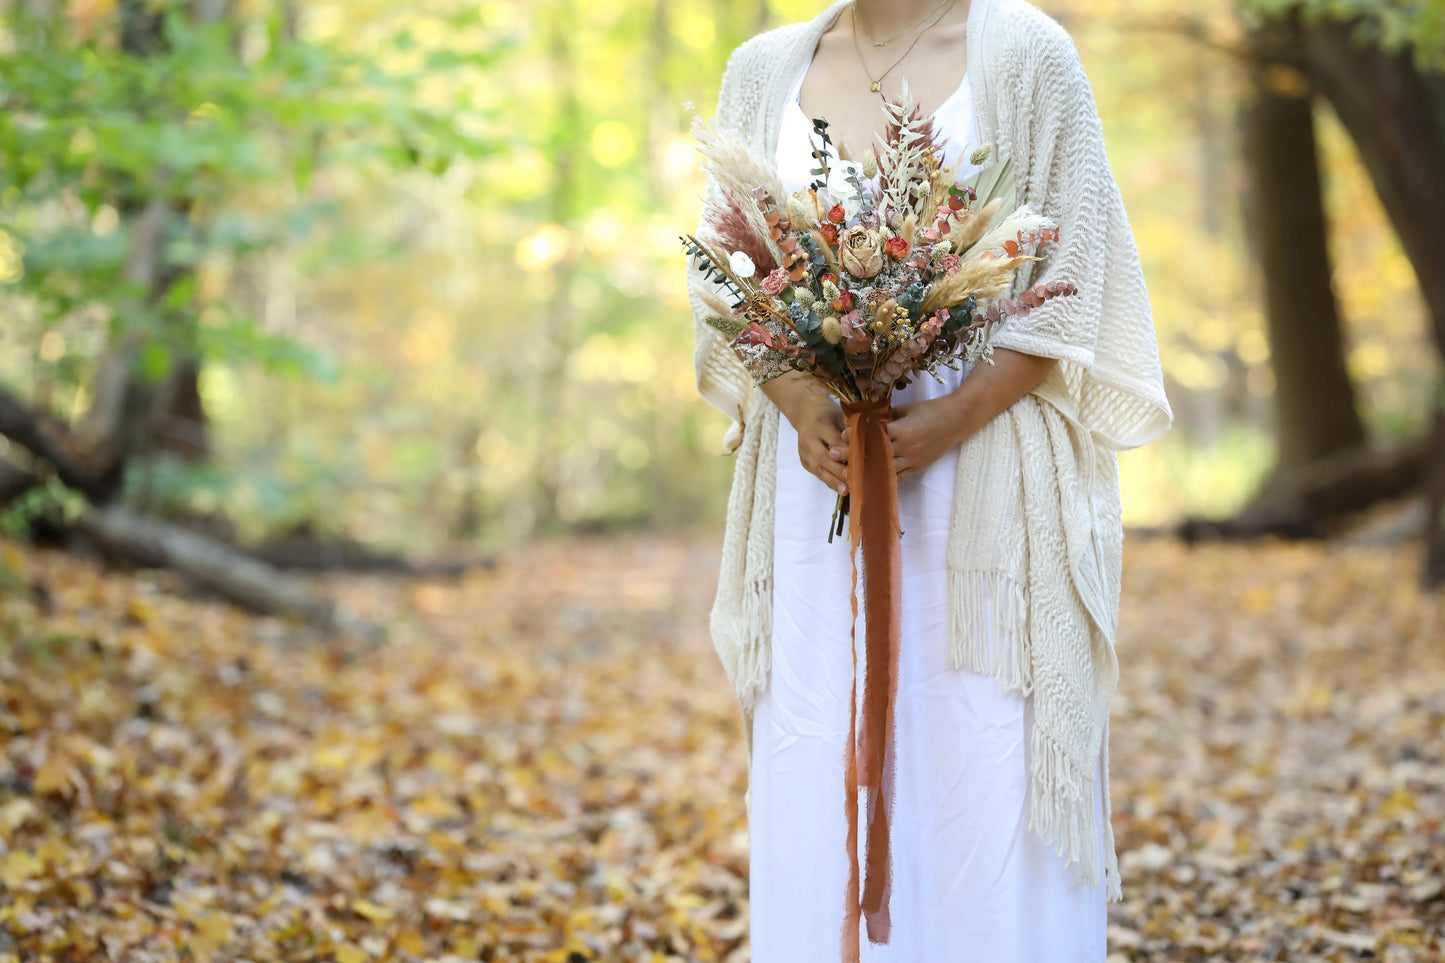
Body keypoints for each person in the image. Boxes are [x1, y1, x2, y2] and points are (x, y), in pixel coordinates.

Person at [686, 1, 1173, 960]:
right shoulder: (762, 67)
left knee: (977, 754)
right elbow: (725, 275)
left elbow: (1078, 270)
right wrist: (794, 401)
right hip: (815, 489)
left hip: (982, 485)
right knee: (819, 740)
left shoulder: (1029, 52)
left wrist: (948, 417)